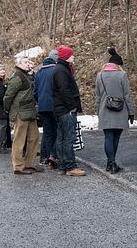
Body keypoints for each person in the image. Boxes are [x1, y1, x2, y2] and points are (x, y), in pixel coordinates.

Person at [95, 53, 136, 174]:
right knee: (116, 137)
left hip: (104, 110)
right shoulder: (122, 75)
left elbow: (97, 97)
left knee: (108, 137)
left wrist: (98, 112)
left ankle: (110, 163)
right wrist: (131, 112)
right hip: (120, 110)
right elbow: (127, 95)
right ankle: (113, 163)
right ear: (118, 65)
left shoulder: (100, 76)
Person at [52, 45, 86, 176]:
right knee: (68, 138)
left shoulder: (61, 69)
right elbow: (64, 90)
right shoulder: (61, 71)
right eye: (71, 55)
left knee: (61, 137)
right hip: (65, 110)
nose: (73, 56)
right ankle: (70, 166)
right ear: (66, 57)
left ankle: (62, 165)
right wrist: (72, 106)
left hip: (61, 109)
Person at [5, 57, 42, 175]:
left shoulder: (26, 75)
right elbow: (8, 96)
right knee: (19, 140)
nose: (28, 64)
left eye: (28, 62)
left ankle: (29, 164)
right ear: (19, 64)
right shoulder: (17, 77)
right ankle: (18, 166)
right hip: (20, 112)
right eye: (25, 62)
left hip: (30, 112)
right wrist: (8, 110)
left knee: (34, 138)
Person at [34, 50, 58, 168]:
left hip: (43, 107)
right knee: (59, 131)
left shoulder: (39, 72)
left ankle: (48, 158)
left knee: (48, 134)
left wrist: (40, 102)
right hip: (55, 106)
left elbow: (35, 91)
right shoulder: (57, 70)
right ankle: (54, 155)